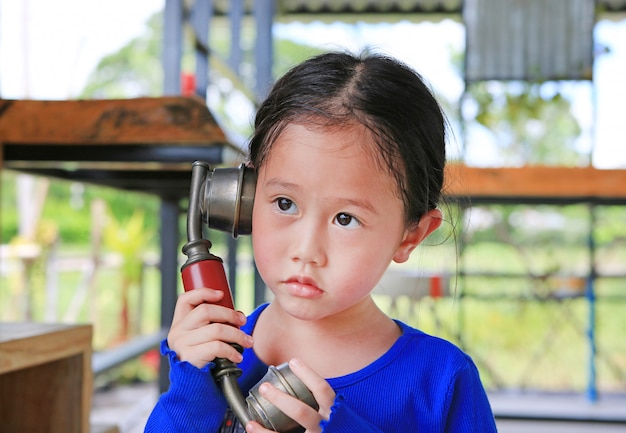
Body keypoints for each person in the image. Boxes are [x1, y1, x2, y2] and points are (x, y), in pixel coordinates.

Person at [144, 51, 497, 433]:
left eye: (345, 219)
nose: (306, 251)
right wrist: (189, 389)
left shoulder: (442, 382)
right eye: (284, 203)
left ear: (410, 235)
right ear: (242, 202)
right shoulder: (210, 359)